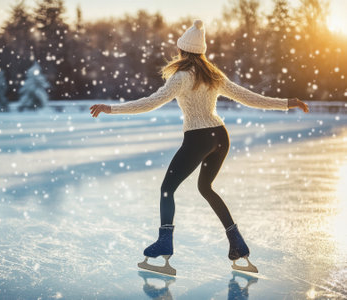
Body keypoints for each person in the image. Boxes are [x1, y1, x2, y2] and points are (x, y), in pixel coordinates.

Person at [89, 20, 309, 275]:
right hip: (220, 136)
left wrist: (111, 108)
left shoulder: (181, 77)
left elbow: (151, 102)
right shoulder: (214, 76)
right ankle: (237, 243)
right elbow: (250, 97)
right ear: (201, 52)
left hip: (199, 138)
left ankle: (164, 242)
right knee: (206, 187)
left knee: (166, 189)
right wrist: (287, 102)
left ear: (183, 51)